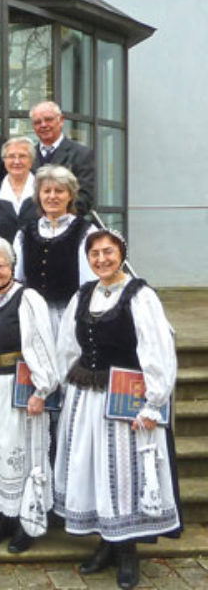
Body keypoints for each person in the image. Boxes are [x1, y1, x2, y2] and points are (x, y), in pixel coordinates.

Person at [54, 229, 181, 589]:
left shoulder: (140, 296)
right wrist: (64, 385)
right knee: (95, 469)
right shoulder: (84, 294)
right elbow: (67, 345)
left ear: (121, 253)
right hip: (86, 396)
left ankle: (127, 552)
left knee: (124, 475)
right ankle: (106, 544)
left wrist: (154, 402)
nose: (101, 260)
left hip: (126, 399)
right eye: (94, 254)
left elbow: (157, 350)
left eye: (108, 252)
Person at [0, 237, 57, 554]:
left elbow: (42, 346)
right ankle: (2, 517)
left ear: (12, 266)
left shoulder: (28, 298)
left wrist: (41, 390)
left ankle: (25, 522)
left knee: (17, 452)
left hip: (16, 389)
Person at [13, 164, 97, 337]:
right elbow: (16, 278)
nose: (52, 196)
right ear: (38, 196)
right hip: (33, 315)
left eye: (59, 191)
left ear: (70, 196)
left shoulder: (86, 231)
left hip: (70, 315)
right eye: (46, 191)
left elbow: (89, 283)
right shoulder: (25, 232)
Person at [29, 101, 95, 216]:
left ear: (61, 120)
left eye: (48, 119)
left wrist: (55, 217)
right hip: (33, 227)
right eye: (37, 122)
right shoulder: (28, 157)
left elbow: (84, 198)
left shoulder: (81, 154)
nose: (43, 125)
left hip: (67, 226)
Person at [0, 137, 39, 243]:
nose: (16, 161)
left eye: (22, 156)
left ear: (31, 160)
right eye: (11, 156)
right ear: (4, 160)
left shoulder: (45, 192)